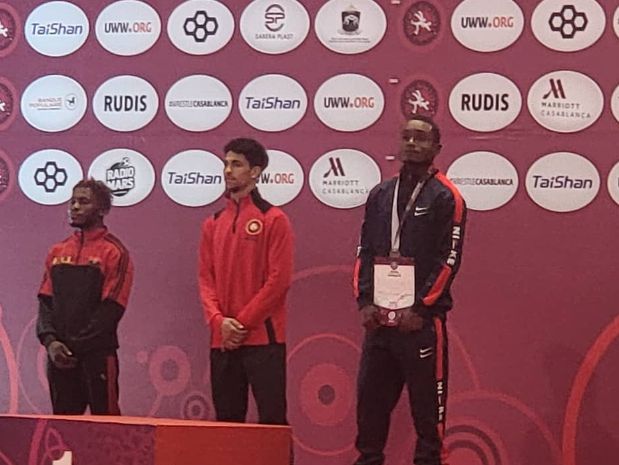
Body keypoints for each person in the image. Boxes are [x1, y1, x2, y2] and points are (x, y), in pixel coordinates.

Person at [352, 115, 466, 465]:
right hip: (379, 323)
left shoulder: (446, 196)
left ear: (437, 148)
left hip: (420, 325)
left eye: (421, 138)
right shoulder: (381, 194)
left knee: (427, 415)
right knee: (370, 408)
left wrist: (420, 308)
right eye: (407, 137)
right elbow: (364, 251)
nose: (412, 143)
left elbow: (448, 260)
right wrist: (365, 301)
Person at [199, 137, 294, 425]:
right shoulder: (212, 223)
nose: (228, 170)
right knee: (228, 426)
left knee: (272, 425)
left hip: (264, 339)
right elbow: (205, 279)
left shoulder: (274, 219)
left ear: (255, 172)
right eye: (226, 164)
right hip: (222, 340)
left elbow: (278, 281)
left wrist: (240, 324)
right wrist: (219, 322)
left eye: (237, 164)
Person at [36, 179, 133, 415]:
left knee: (107, 426)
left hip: (97, 355)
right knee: (64, 427)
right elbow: (45, 301)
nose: (75, 207)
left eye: (83, 201)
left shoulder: (115, 252)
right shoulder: (57, 251)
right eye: (73, 201)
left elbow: (112, 309)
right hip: (60, 357)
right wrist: (51, 343)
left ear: (102, 209)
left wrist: (75, 347)